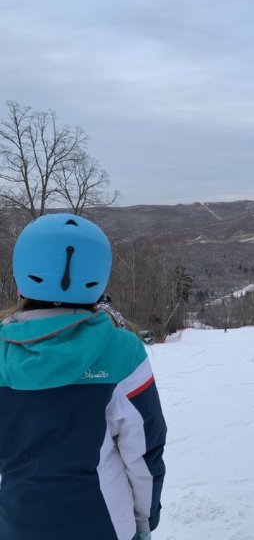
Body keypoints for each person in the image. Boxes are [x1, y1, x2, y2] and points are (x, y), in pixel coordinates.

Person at [0, 213, 167, 540]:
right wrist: (146, 521)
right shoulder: (122, 351)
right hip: (105, 525)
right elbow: (143, 450)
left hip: (17, 523)